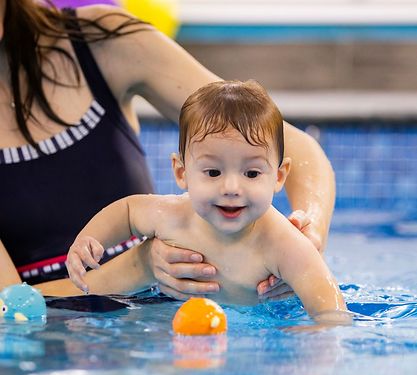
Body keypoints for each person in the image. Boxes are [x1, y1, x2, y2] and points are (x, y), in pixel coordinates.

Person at [0, 1, 336, 302]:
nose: (232, 184)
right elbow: (10, 306)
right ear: (178, 171)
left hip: (160, 322)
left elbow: (290, 144)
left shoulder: (99, 43)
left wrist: (306, 237)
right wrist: (139, 267)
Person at [66, 80, 348, 324]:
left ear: (278, 176)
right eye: (213, 172)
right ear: (181, 172)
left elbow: (332, 315)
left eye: (251, 173)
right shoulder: (171, 215)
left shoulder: (284, 245)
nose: (231, 188)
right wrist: (89, 240)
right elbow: (126, 212)